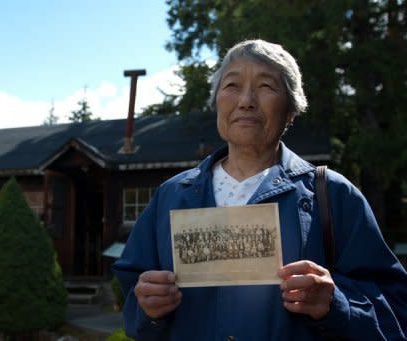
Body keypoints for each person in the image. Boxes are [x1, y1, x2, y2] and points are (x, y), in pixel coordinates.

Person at [112, 39, 407, 340]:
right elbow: (133, 296)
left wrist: (335, 305)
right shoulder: (170, 196)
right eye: (232, 86)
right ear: (216, 103)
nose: (246, 101)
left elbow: (397, 310)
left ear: (292, 109)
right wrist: (147, 306)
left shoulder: (333, 195)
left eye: (266, 86)